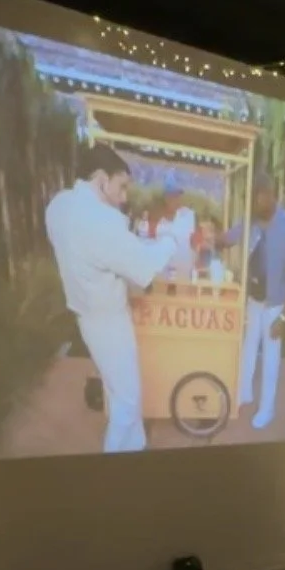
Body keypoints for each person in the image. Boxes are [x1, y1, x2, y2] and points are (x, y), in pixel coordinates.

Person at [45, 143, 177, 453]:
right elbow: (144, 267)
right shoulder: (102, 221)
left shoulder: (59, 205)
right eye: (121, 186)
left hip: (85, 315)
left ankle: (136, 450)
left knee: (122, 394)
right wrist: (169, 242)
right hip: (108, 321)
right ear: (101, 178)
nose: (124, 195)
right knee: (128, 403)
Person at [221, 172, 285, 430]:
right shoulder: (251, 221)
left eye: (259, 199)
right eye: (253, 200)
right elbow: (230, 238)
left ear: (271, 196)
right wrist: (211, 238)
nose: (256, 205)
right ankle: (244, 393)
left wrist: (283, 316)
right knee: (248, 346)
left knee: (270, 356)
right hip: (253, 299)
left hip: (275, 304)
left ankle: (267, 409)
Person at [153, 172, 196, 279]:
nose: (175, 199)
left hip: (183, 275)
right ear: (165, 197)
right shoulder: (158, 219)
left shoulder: (188, 215)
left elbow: (195, 243)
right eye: (171, 195)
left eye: (178, 195)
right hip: (162, 276)